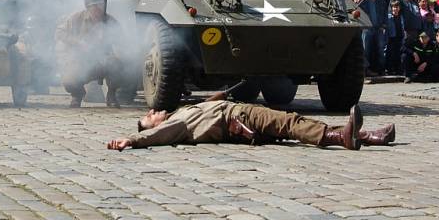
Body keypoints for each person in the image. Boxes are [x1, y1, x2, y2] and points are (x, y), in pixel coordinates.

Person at [106, 101, 395, 151]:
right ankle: (344, 137)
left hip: (239, 115)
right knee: (291, 123)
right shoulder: (177, 123)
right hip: (239, 117)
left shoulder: (181, 112)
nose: (154, 112)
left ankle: (366, 136)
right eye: (149, 116)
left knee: (293, 125)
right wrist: (132, 139)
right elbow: (158, 135)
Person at [55, 0, 124, 108]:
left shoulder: (110, 20)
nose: (98, 8)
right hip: (82, 61)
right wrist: (78, 42)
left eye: (100, 5)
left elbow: (122, 39)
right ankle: (77, 94)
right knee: (69, 80)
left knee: (118, 65)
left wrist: (109, 38)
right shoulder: (76, 18)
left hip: (103, 60)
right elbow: (60, 32)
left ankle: (111, 94)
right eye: (94, 6)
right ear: (88, 7)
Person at [384, 1, 405, 76]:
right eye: (394, 7)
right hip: (391, 38)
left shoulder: (401, 17)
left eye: (397, 7)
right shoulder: (389, 17)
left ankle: (397, 69)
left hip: (399, 37)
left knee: (398, 54)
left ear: (399, 8)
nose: (395, 9)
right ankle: (389, 69)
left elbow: (402, 27)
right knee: (390, 54)